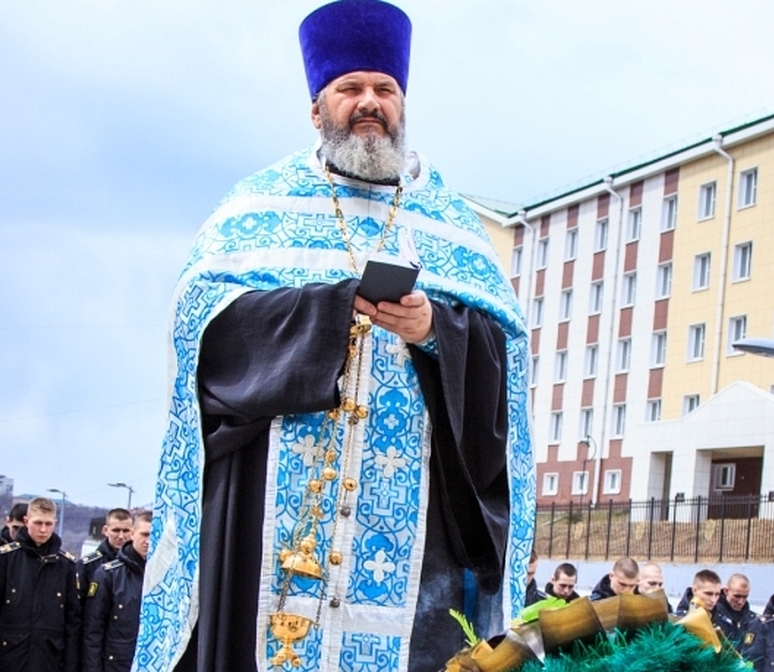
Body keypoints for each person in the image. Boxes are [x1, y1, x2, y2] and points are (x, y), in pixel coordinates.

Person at [132, 2, 533, 671]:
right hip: (273, 512)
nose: (369, 103)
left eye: (385, 90)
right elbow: (203, 329)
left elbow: (504, 365)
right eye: (350, 89)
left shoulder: (451, 224)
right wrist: (327, 313)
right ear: (317, 108)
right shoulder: (255, 208)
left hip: (412, 531)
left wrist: (439, 331)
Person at [0, 497, 80, 672]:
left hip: (48, 658)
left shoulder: (65, 565)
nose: (43, 530)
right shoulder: (3, 558)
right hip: (8, 657)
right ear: (26, 521)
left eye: (48, 524)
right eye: (38, 523)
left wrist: (70, 664)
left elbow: (72, 620)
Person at [82, 511, 151, 672]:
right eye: (145, 534)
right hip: (116, 663)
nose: (148, 541)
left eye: (154, 535)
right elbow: (93, 630)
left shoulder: (165, 577)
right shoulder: (108, 575)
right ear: (133, 534)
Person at [77, 509, 133, 608]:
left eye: (126, 531)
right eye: (116, 530)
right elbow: (77, 604)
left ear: (133, 532)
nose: (121, 536)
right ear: (105, 530)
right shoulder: (88, 565)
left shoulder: (138, 565)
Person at [715, 573, 757, 643]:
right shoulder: (713, 614)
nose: (740, 602)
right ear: (726, 591)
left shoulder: (753, 620)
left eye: (745, 597)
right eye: (737, 596)